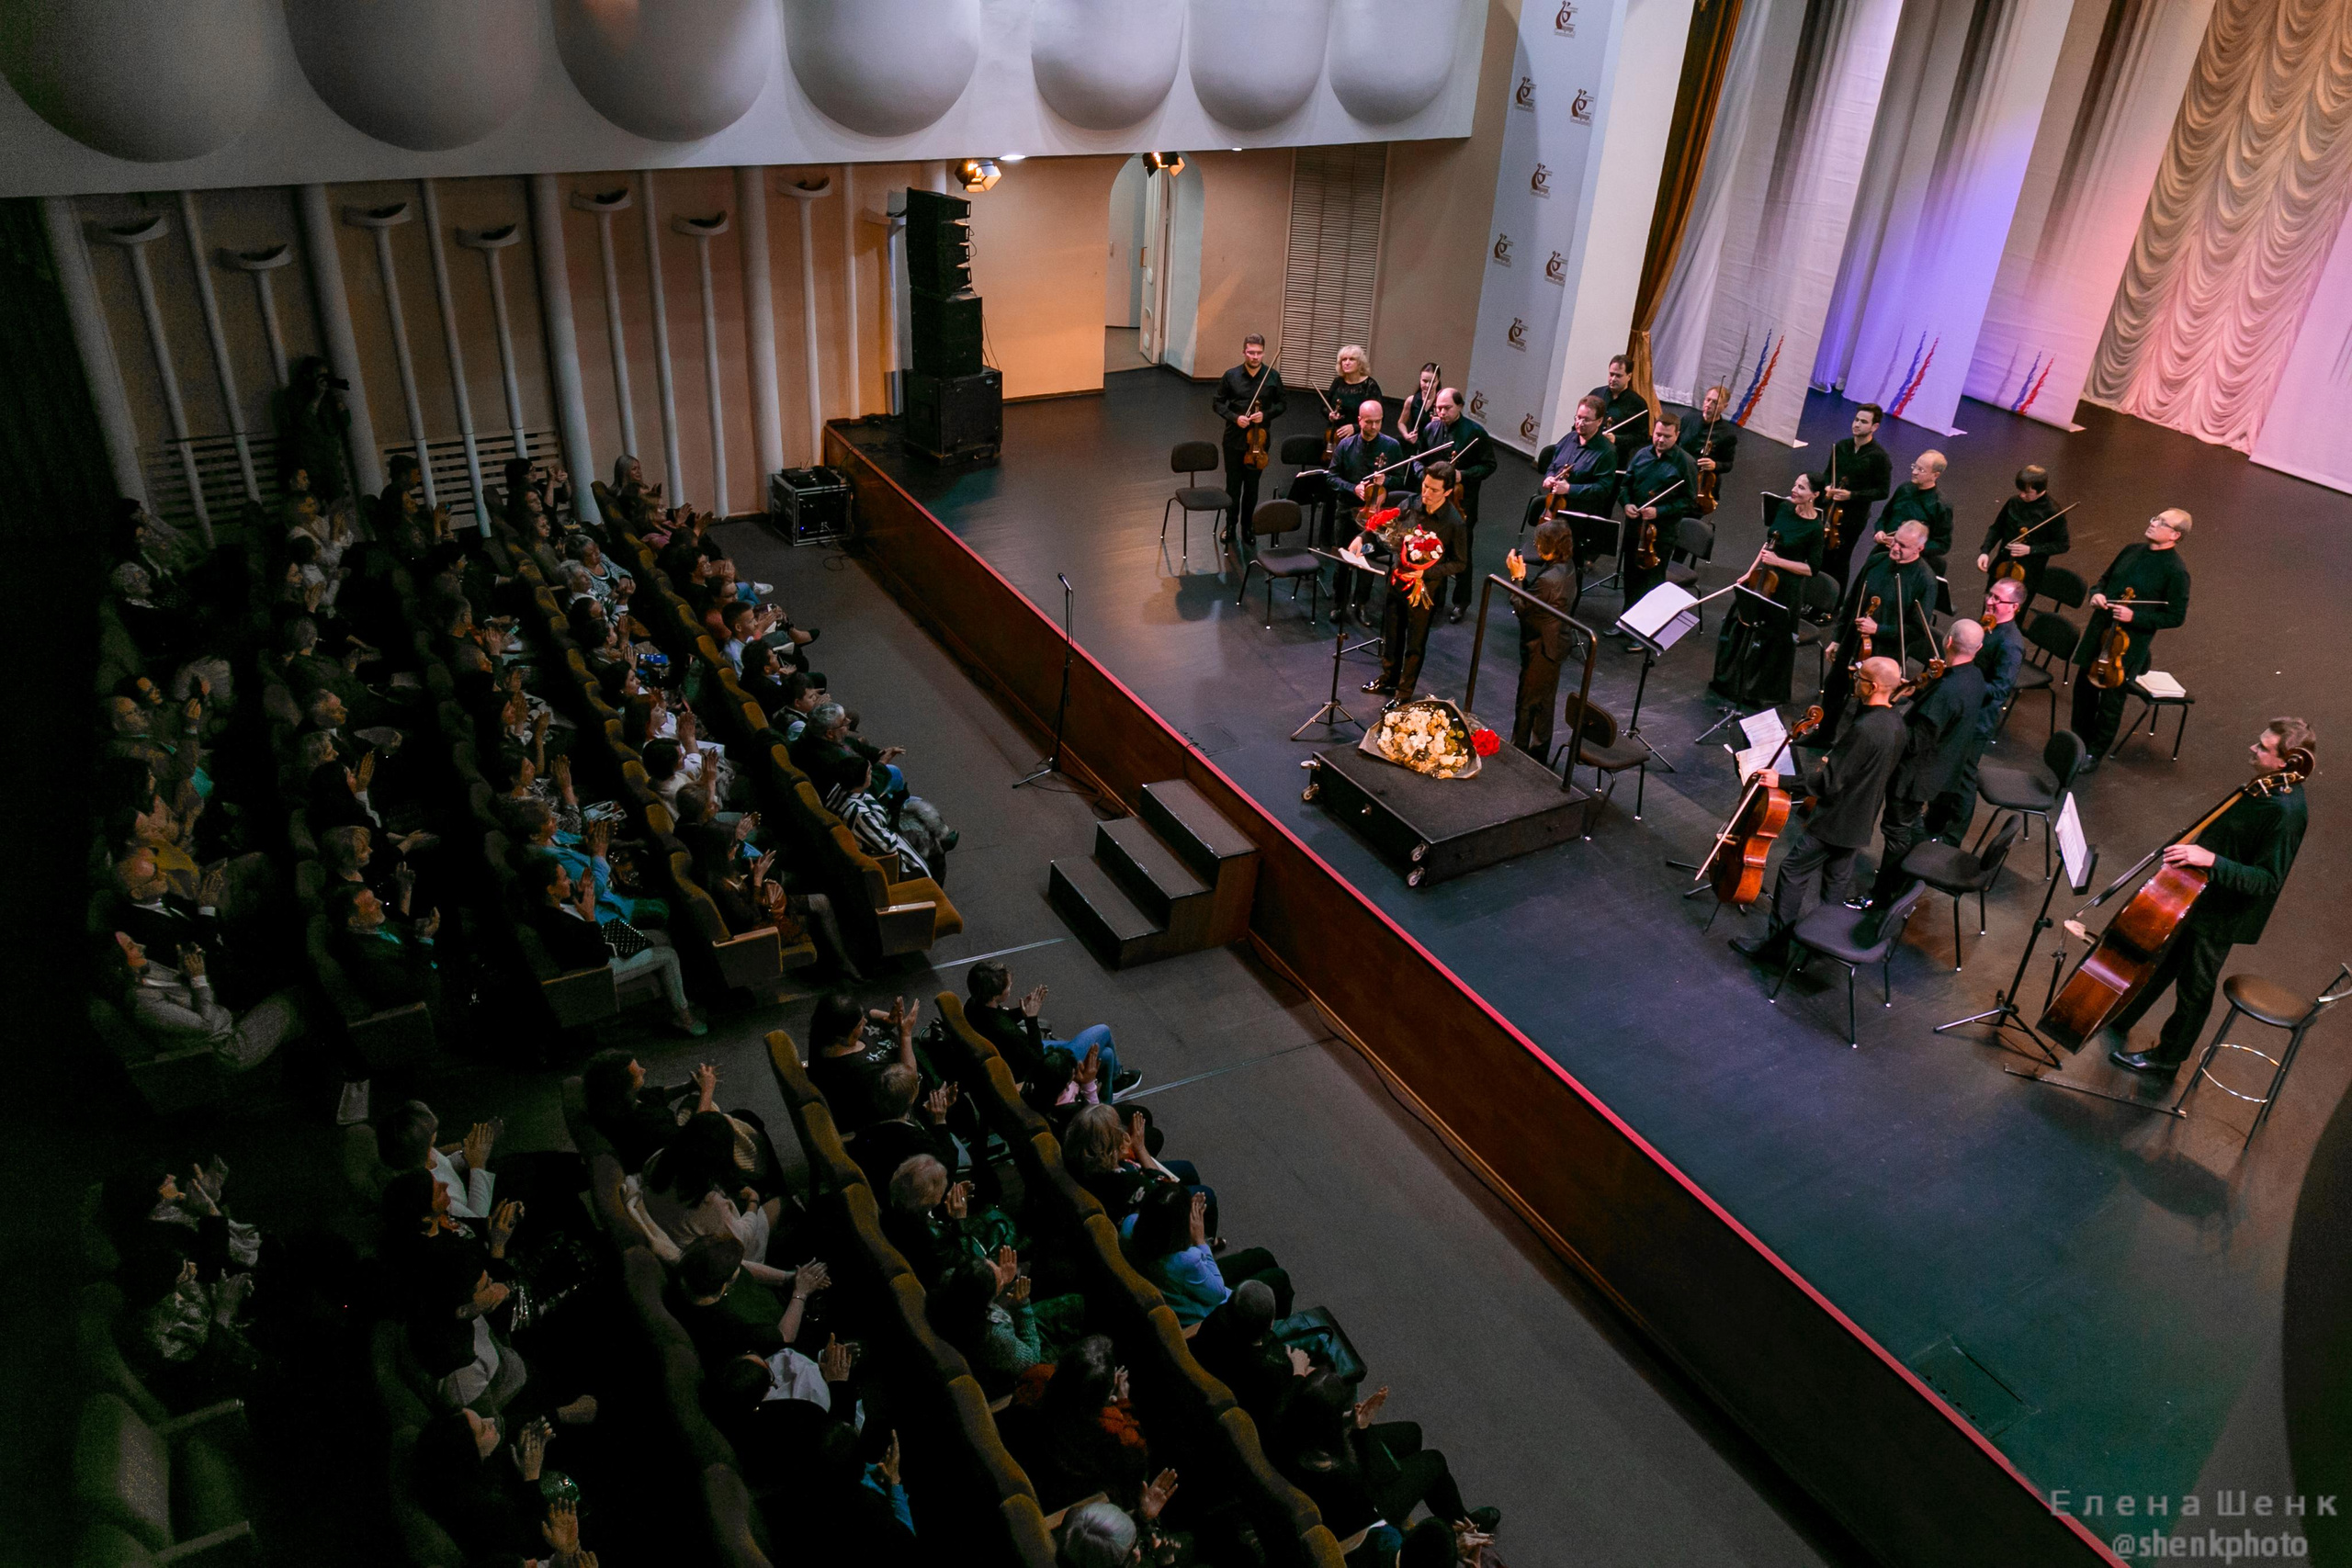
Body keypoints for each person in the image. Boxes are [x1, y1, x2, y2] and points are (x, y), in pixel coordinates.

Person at [2108, 719, 2313, 1082]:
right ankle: (2122, 1018)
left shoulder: (2286, 813)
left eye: (2263, 747)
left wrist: (2211, 859)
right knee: (2161, 963)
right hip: (2198, 892)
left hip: (2222, 912)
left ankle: (2168, 1060)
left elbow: (2267, 880)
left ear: (2285, 762)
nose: (2253, 748)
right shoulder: (2266, 788)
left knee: (2194, 987)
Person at [1730, 657, 1908, 972]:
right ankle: (1823, 948)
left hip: (1836, 821)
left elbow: (1828, 783)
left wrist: (1782, 781)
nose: (1855, 681)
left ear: (1874, 686)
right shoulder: (1896, 724)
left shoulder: (1866, 728)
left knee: (1792, 872)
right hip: (1861, 819)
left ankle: (1776, 947)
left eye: (1860, 677)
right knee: (1836, 882)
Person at [1274, 1372, 1498, 1544]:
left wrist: (1351, 1424)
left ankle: (1448, 1514)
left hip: (1333, 1483)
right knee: (1434, 1461)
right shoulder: (1342, 1472)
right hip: (1362, 1516)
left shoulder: (1285, 1423)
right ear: (1331, 1426)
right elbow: (1385, 1474)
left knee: (1412, 1434)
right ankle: (1465, 1524)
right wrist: (1362, 1429)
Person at [1860, 620, 1986, 916]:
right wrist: (1915, 692)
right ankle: (1909, 877)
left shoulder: (1947, 691)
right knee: (1912, 825)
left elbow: (1916, 742)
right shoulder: (1974, 678)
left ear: (1948, 642)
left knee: (1896, 831)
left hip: (1914, 776)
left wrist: (1887, 713)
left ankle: (1883, 896)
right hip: (1940, 770)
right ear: (1977, 648)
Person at [516, 855, 703, 1036]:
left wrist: (580, 893)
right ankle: (684, 1017)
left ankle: (673, 998)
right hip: (598, 969)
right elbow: (598, 957)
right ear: (550, 889)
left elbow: (579, 928)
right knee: (668, 955)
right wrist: (590, 917)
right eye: (565, 879)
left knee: (660, 936)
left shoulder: (551, 904)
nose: (570, 881)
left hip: (604, 943)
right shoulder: (554, 922)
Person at [2072, 509, 2193, 769]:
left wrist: (2134, 617)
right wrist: (2096, 594)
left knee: (2110, 703)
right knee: (2083, 691)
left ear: (2175, 534)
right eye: (2154, 518)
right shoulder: (2131, 550)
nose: (2153, 523)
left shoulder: (2176, 571)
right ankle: (2076, 743)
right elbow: (2104, 580)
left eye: (2162, 522)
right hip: (2099, 632)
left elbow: (2175, 616)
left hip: (2126, 647)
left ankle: (2094, 753)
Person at [1815, 521, 1938, 746]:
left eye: (1903, 545)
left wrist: (1878, 629)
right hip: (1853, 641)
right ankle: (1822, 736)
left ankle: (1852, 750)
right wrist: (1837, 638)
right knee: (1834, 687)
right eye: (1895, 540)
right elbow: (1852, 602)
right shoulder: (1876, 561)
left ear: (1919, 549)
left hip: (1885, 653)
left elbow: (1916, 629)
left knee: (1869, 704)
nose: (1895, 547)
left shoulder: (1925, 580)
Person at [1708, 473, 1826, 705]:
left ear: (1815, 495)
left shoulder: (1815, 529)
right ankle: (1730, 682)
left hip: (1786, 587)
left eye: (1801, 488)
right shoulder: (1784, 508)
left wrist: (1778, 562)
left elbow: (1811, 569)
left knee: (1770, 638)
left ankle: (1756, 691)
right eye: (1795, 483)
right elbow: (1768, 544)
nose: (1794, 489)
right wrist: (1749, 572)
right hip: (1762, 577)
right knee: (1739, 624)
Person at [1928, 579, 2026, 843]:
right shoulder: (1987, 627)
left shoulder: (2011, 644)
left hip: (1977, 721)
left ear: (2014, 607)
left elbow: (2000, 690)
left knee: (1963, 779)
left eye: (1997, 599)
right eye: (1990, 595)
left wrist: (1966, 681)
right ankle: (1934, 821)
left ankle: (1953, 835)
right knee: (1946, 767)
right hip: (1961, 711)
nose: (1990, 602)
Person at [1360, 463, 1466, 704]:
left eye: (1434, 490)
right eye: (1425, 486)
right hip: (1397, 580)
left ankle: (1403, 693)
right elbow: (1387, 529)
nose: (1426, 494)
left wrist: (1425, 574)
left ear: (1448, 492)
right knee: (1392, 633)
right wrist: (1364, 539)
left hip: (1423, 591)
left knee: (1415, 644)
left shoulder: (1454, 522)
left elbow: (1460, 563)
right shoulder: (1410, 504)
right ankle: (1388, 678)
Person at [964, 960, 1140, 1096]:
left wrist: (1022, 1011)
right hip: (1040, 1067)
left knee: (1106, 1055)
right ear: (995, 995)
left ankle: (1110, 1091)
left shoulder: (973, 1005)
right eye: (1008, 987)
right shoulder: (1007, 1033)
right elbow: (1039, 1062)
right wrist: (1031, 1019)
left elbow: (1000, 1018)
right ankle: (1116, 1079)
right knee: (1103, 1030)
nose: (1010, 989)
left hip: (1020, 1054)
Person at [1125, 1184, 1293, 1326]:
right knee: (1279, 1279)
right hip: (1207, 1311)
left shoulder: (1129, 1225)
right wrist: (1200, 1240)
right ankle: (1272, 1332)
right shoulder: (1187, 1261)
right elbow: (1218, 1293)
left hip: (1178, 1283)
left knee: (1262, 1256)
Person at [926, 1254, 1088, 1397]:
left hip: (1007, 1335)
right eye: (1000, 1283)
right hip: (1019, 1360)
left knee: (1075, 1302)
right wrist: (1023, 1306)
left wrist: (1004, 1282)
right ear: (986, 1301)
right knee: (1077, 1315)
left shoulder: (952, 1281)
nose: (1002, 1274)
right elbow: (1032, 1361)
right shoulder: (993, 1336)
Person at [1413, 389, 1498, 622]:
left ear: (1460, 406)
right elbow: (1419, 459)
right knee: (1433, 551)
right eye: (1438, 408)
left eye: (1447, 408)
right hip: (1434, 504)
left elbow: (1489, 466)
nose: (1441, 412)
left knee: (1461, 554)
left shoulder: (1475, 433)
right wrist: (1426, 476)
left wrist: (1463, 475)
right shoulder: (1430, 429)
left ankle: (1461, 602)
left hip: (1462, 504)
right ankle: (1436, 600)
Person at [1190, 1280, 1312, 1428]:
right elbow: (1287, 1407)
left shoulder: (1215, 1319)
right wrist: (1299, 1371)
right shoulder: (1271, 1370)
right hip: (1259, 1415)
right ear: (1271, 1324)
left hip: (1218, 1379)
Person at [1327, 397, 1406, 624]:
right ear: (1359, 420)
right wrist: (1354, 489)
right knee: (1343, 559)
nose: (1373, 427)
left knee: (1367, 560)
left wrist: (1386, 480)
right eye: (1369, 422)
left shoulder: (1391, 446)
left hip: (1373, 517)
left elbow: (1400, 480)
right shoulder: (1346, 445)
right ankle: (1338, 604)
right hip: (1346, 511)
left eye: (1378, 422)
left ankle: (1361, 604)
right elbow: (1331, 477)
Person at [1211, 333, 1286, 562]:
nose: (1255, 357)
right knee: (1233, 486)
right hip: (1234, 439)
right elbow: (1217, 402)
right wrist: (1235, 417)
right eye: (1251, 352)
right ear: (1244, 352)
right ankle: (1230, 526)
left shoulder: (1272, 376)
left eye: (1259, 353)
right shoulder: (1231, 376)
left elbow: (1283, 403)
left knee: (1252, 488)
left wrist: (1266, 414)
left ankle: (1248, 529)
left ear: (1264, 352)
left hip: (1260, 441)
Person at [1615, 412, 1699, 616]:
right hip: (1635, 529)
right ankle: (1626, 619)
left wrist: (1658, 511)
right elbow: (1626, 485)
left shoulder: (1685, 463)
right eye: (1658, 434)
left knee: (1651, 583)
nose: (1660, 440)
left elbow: (1689, 502)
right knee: (1631, 577)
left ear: (1677, 435)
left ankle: (1643, 630)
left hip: (1660, 535)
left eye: (1667, 436)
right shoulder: (1642, 454)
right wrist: (1627, 504)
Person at [1504, 522, 1575, 761]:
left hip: (1541, 648)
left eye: (1538, 544)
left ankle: (1519, 752)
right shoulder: (1567, 566)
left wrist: (1517, 578)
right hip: (1556, 643)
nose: (1536, 547)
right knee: (1544, 703)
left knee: (1527, 702)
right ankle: (1539, 753)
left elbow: (1523, 608)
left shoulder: (1547, 581)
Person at [804, 991, 920, 1132]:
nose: (865, 1022)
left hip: (906, 1054)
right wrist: (905, 1035)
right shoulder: (858, 1072)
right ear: (841, 1037)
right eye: (860, 1025)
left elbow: (869, 1013)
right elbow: (908, 1083)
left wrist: (889, 1018)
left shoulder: (826, 1028)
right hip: (903, 1096)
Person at [1536, 393, 1622, 578]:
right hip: (1555, 510)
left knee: (1568, 568)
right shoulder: (1569, 439)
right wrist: (1550, 477)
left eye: (1586, 420)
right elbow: (1554, 464)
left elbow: (1604, 488)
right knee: (1548, 558)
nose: (1580, 423)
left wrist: (1570, 489)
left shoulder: (1606, 452)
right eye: (1578, 417)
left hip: (1579, 517)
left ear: (1599, 422)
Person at [1819, 402, 1894, 585]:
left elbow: (1882, 491)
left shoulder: (1879, 457)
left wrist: (1851, 495)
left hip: (1853, 516)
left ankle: (1834, 604)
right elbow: (1828, 472)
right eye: (1856, 420)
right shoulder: (1842, 446)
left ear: (1874, 427)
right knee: (1820, 554)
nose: (1857, 424)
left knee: (1840, 559)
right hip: (1829, 508)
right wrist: (1827, 486)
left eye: (1863, 422)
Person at [1975, 465, 2067, 600]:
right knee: (1989, 605)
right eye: (2020, 490)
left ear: (2041, 490)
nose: (2021, 495)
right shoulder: (2014, 502)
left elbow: (2063, 544)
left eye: (2027, 492)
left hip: (2028, 573)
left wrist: (2030, 549)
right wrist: (1985, 551)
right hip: (2003, 565)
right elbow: (1997, 528)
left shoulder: (2052, 512)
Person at [1868, 450, 1954, 579]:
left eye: (1921, 470)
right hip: (1884, 552)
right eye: (1915, 466)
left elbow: (1942, 544)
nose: (1914, 472)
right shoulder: (1904, 489)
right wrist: (1879, 530)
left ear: (1935, 475)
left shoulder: (1940, 505)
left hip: (1909, 563)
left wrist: (1909, 546)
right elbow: (1885, 516)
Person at [1678, 384, 1739, 502]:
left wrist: (1715, 465)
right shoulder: (1689, 419)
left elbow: (1728, 464)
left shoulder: (1727, 434)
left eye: (1715, 402)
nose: (1708, 405)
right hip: (1680, 471)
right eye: (1708, 400)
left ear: (1724, 406)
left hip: (1700, 481)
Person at [1587, 355, 1648, 471]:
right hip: (1588, 454)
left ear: (1629, 376)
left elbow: (1641, 438)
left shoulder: (1638, 404)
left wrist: (1616, 439)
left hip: (1616, 460)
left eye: (1618, 375)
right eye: (1611, 374)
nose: (1613, 379)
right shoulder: (1596, 394)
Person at [1319, 345, 1381, 455]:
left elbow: (1379, 417)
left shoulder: (1370, 386)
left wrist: (1355, 427)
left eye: (1351, 359)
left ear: (1360, 363)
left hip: (1360, 436)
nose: (1347, 363)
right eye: (1344, 359)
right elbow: (1324, 406)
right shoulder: (1338, 382)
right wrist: (1330, 415)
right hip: (1334, 435)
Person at [1397, 362, 1442, 445]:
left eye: (1432, 382)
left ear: (1438, 381)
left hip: (1434, 446)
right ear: (1420, 379)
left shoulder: (1442, 403)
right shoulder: (1411, 400)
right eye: (1424, 381)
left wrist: (1442, 423)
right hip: (1415, 444)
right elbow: (1401, 423)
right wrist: (1406, 436)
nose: (1428, 385)